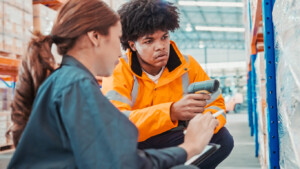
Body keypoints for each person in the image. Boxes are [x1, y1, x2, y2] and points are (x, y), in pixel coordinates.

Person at [6, 0, 219, 168]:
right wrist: (189, 147)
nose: (120, 52)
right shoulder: (76, 86)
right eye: (118, 40)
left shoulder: (66, 80)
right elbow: (123, 163)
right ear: (95, 37)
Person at [101, 0, 234, 169]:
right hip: (134, 143)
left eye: (164, 37)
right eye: (149, 41)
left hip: (175, 137)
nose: (161, 47)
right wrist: (171, 112)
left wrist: (206, 122)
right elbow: (117, 123)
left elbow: (216, 105)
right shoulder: (118, 70)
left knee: (222, 139)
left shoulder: (188, 65)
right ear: (133, 45)